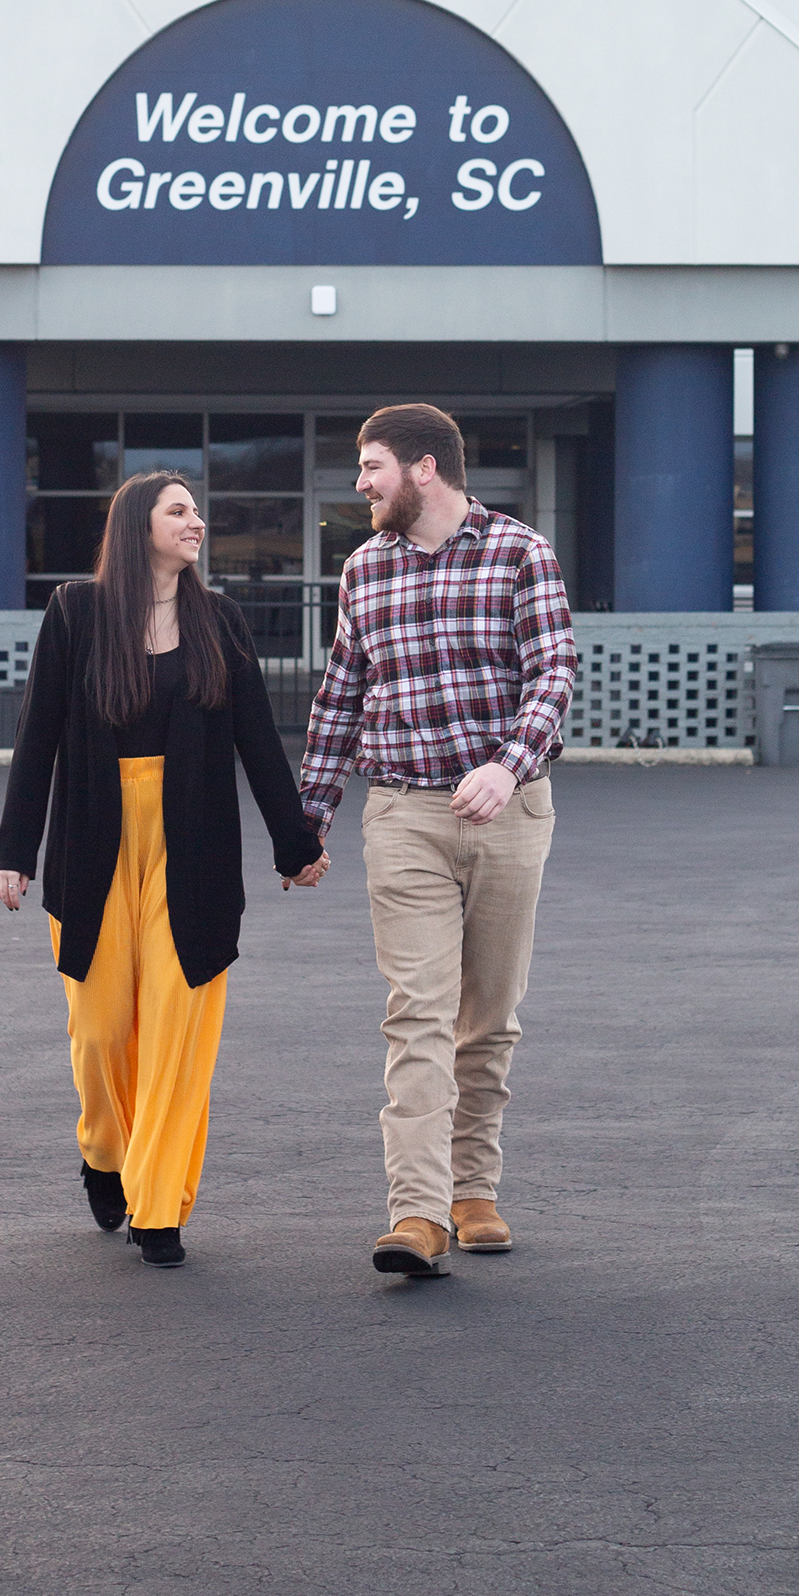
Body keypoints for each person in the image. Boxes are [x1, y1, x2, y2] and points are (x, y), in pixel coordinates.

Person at [0, 470, 328, 1268]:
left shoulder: (221, 621)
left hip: (194, 847)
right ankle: (105, 1149)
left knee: (180, 1031)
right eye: (180, 510)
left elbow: (256, 739)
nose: (198, 522)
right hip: (93, 842)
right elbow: (37, 734)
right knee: (103, 1027)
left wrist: (296, 843)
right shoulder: (76, 612)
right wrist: (15, 851)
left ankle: (158, 1205)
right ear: (139, 523)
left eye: (198, 511)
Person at [299, 403, 578, 1280]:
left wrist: (508, 764)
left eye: (372, 465)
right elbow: (341, 698)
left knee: (487, 1019)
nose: (360, 482)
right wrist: (303, 821)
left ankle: (473, 1192)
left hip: (508, 811)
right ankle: (416, 1213)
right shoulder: (363, 571)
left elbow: (554, 671)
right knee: (415, 1014)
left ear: (425, 468)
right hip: (405, 816)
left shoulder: (520, 553)